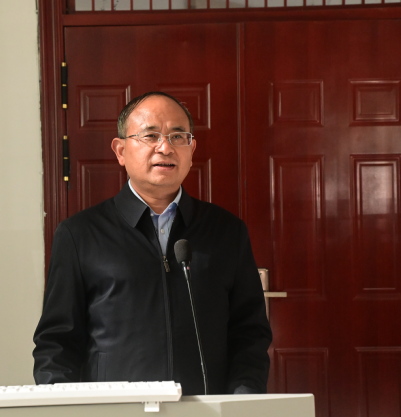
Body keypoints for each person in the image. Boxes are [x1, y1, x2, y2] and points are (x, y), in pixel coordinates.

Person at [33, 91, 272, 395]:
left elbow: (249, 333)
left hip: (208, 409)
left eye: (178, 136)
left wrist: (243, 400)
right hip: (115, 409)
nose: (165, 147)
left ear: (191, 149)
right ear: (121, 150)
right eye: (150, 135)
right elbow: (57, 342)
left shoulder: (226, 231)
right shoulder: (80, 234)